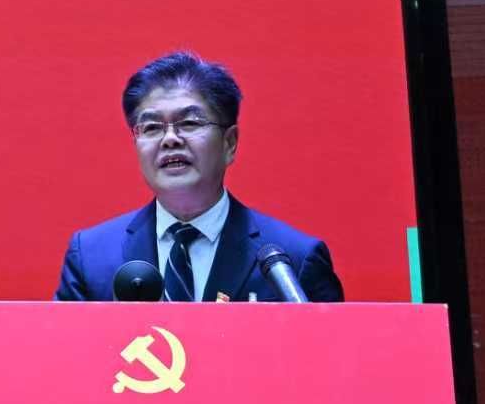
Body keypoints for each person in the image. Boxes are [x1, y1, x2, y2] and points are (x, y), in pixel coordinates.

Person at [54, 51, 343, 302]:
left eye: (190, 123)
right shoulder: (91, 258)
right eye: (152, 127)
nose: (170, 139)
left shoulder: (294, 259)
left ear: (229, 143)